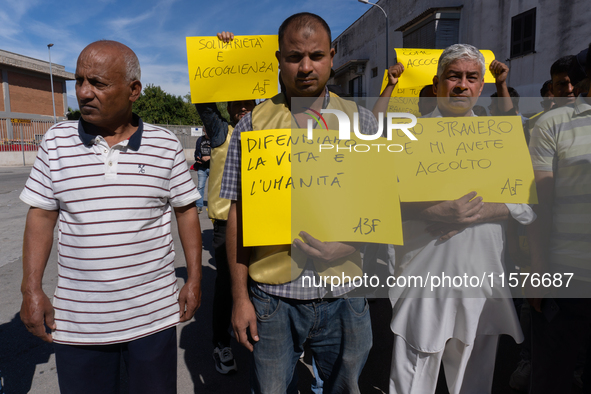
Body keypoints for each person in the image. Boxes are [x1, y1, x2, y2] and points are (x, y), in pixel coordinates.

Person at [19, 40, 202, 394]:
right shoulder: (56, 142)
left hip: (153, 318)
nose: (84, 93)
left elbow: (186, 212)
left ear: (134, 90)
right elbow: (40, 216)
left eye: (98, 83)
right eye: (79, 81)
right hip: (78, 323)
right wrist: (31, 289)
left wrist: (194, 279)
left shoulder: (165, 146)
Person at [220, 12, 375, 393]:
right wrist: (239, 298)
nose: (305, 67)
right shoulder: (252, 125)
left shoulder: (363, 123)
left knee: (346, 386)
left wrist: (353, 243)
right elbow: (237, 219)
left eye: (316, 55)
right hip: (274, 299)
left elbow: (381, 204)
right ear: (279, 59)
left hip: (344, 293)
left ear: (333, 56)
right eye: (294, 57)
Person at [387, 44, 535, 394]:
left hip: (481, 280)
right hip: (424, 279)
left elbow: (526, 204)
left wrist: (483, 210)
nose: (462, 86)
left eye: (471, 78)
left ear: (481, 86)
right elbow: (377, 202)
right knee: (412, 376)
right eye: (454, 76)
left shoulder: (499, 138)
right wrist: (429, 210)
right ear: (438, 82)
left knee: (474, 380)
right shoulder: (407, 136)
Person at [527, 42, 591, 394]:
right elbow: (541, 203)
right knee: (553, 377)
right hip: (567, 277)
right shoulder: (552, 123)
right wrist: (538, 270)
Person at [195, 30, 257, 375]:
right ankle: (221, 344)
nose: (243, 109)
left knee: (260, 284)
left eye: (249, 103)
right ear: (229, 109)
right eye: (236, 104)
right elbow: (203, 101)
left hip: (263, 221)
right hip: (225, 226)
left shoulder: (268, 132)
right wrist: (220, 51)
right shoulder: (222, 134)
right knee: (226, 287)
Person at [194, 130, 211, 214]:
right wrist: (198, 159)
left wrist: (210, 157)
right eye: (206, 129)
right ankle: (199, 206)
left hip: (213, 167)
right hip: (202, 168)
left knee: (213, 188)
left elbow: (219, 152)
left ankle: (212, 206)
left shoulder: (214, 139)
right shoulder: (200, 139)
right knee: (200, 187)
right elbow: (196, 152)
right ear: (204, 130)